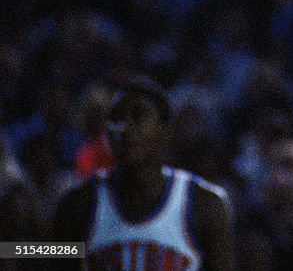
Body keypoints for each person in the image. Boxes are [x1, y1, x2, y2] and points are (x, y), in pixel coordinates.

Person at [52, 76, 234, 271]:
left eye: (138, 117)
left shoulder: (206, 205)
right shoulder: (77, 204)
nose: (124, 128)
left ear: (165, 131)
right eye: (115, 118)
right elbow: (39, 255)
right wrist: (18, 246)